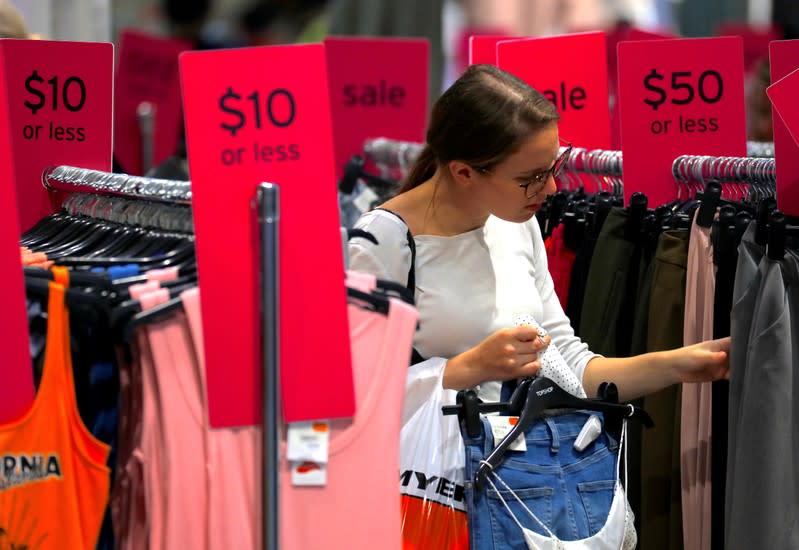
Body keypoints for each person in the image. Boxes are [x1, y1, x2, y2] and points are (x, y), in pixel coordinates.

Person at [348, 63, 730, 405]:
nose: (550, 189)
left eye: (553, 167)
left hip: (514, 475)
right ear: (463, 172)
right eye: (529, 178)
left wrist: (679, 365)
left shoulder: (516, 223)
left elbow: (571, 370)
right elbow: (361, 393)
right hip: (427, 477)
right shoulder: (383, 239)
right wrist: (470, 367)